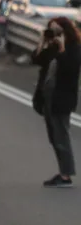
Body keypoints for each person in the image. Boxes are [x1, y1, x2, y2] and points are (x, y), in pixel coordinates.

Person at [35, 17, 81, 187]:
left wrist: (62, 48)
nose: (54, 34)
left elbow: (71, 68)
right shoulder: (52, 47)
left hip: (62, 99)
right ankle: (64, 172)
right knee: (54, 137)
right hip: (49, 99)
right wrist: (43, 42)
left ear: (66, 31)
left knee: (61, 137)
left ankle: (66, 175)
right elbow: (37, 60)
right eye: (51, 30)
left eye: (57, 31)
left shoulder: (74, 48)